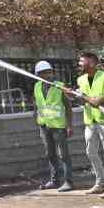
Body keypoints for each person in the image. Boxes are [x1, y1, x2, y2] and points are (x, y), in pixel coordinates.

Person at [73, 51, 104, 198]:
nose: (79, 64)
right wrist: (75, 96)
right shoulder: (80, 80)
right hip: (90, 121)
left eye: (82, 61)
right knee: (91, 152)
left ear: (92, 63)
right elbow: (82, 99)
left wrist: (100, 100)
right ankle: (101, 183)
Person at [32, 61, 74, 192]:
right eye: (44, 73)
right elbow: (36, 104)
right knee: (50, 154)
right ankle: (54, 181)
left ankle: (68, 182)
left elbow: (68, 107)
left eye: (49, 72)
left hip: (59, 126)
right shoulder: (37, 86)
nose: (48, 75)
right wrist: (36, 120)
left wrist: (69, 125)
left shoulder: (60, 87)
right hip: (44, 126)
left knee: (64, 155)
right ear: (38, 75)